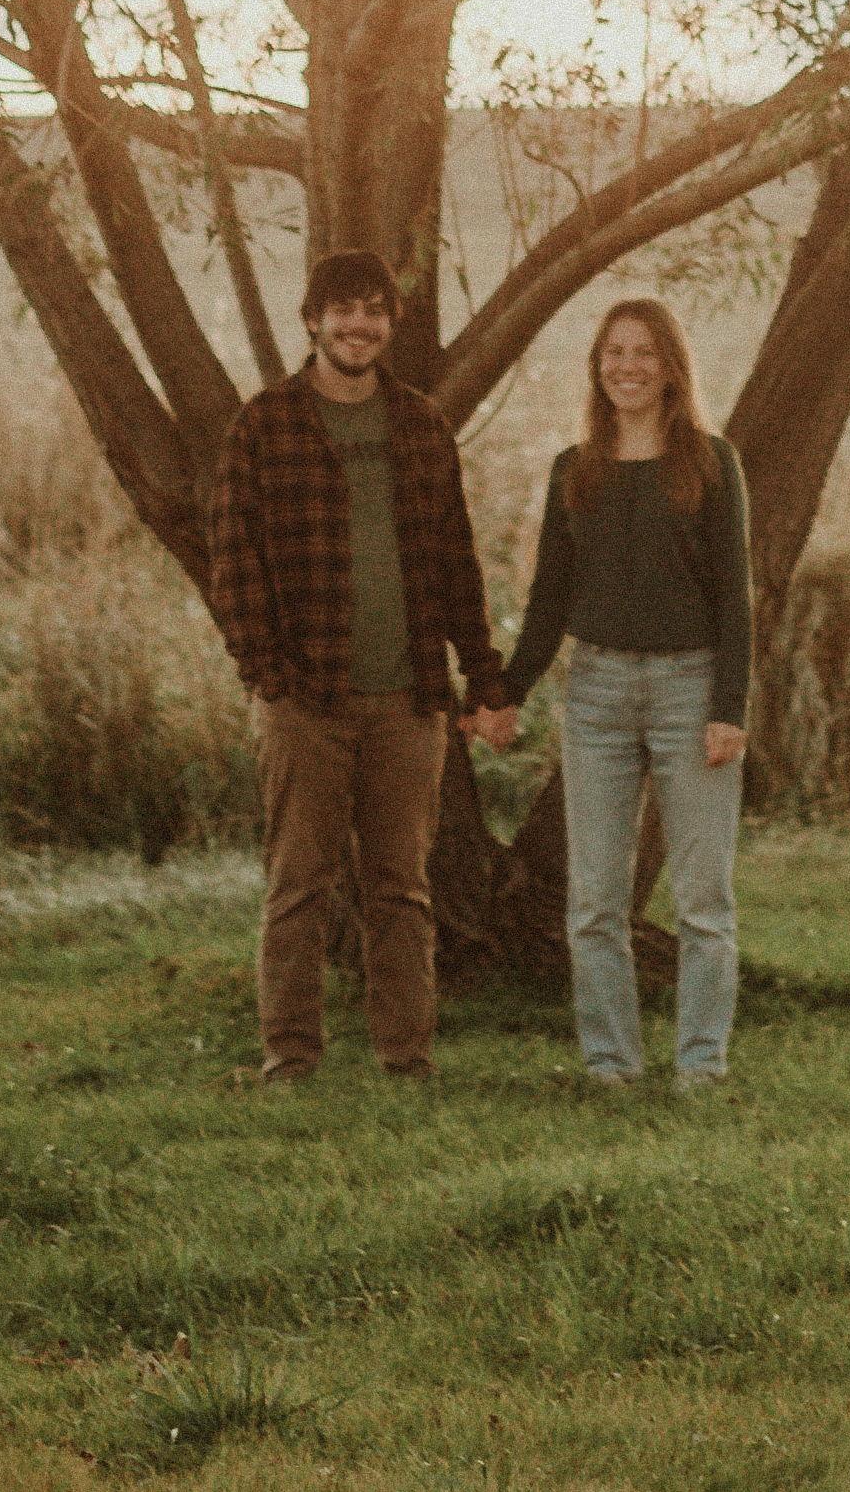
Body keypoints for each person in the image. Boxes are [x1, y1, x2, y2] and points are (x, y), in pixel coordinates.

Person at [198, 248, 508, 1087]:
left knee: (401, 889)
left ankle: (406, 1057)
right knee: (298, 884)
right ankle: (289, 1057)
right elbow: (231, 560)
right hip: (306, 700)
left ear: (389, 326)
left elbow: (455, 559)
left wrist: (481, 674)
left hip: (408, 697)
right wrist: (267, 671)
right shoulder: (265, 424)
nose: (357, 324)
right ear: (312, 320)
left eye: (373, 310)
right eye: (341, 309)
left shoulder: (419, 425)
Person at [473, 297, 756, 1096]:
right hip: (595, 692)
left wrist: (729, 705)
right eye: (612, 352)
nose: (626, 366)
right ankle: (611, 1066)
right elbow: (549, 599)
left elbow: (736, 599)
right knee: (593, 900)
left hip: (690, 685)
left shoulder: (709, 462)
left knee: (704, 898)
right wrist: (506, 691)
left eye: (642, 352)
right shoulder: (576, 467)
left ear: (670, 366)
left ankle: (700, 1065)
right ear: (598, 366)